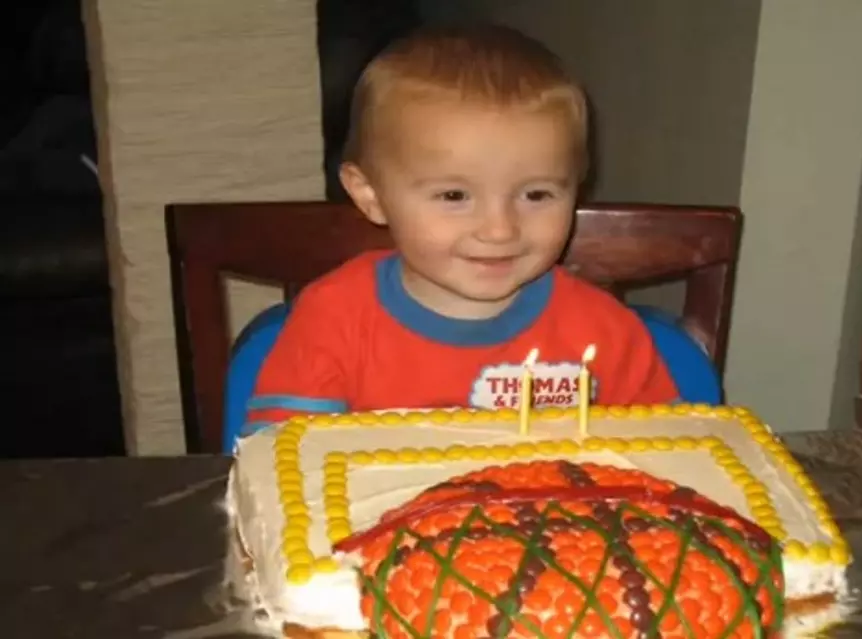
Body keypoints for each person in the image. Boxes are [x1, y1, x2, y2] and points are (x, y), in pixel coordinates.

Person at [245, 24, 678, 431]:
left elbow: (672, 454)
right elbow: (286, 468)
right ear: (370, 195)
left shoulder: (606, 330)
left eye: (537, 195)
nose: (499, 230)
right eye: (454, 196)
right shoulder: (332, 321)